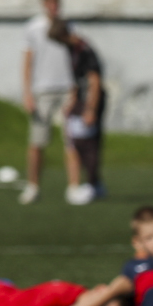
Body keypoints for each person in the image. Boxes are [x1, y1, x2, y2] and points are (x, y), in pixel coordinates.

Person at [19, 0, 77, 206]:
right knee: (37, 141)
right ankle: (33, 186)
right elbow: (27, 61)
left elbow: (75, 57)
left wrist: (75, 89)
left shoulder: (69, 26)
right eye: (50, 3)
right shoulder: (33, 28)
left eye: (57, 3)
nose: (54, 7)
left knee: (72, 141)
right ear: (44, 3)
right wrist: (27, 92)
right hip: (42, 90)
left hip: (66, 89)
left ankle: (73, 187)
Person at [49, 19, 106, 206]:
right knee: (75, 141)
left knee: (88, 144)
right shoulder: (71, 50)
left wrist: (90, 109)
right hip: (80, 100)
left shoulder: (85, 50)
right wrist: (72, 101)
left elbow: (94, 82)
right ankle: (85, 184)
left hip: (90, 101)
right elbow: (76, 79)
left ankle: (90, 183)